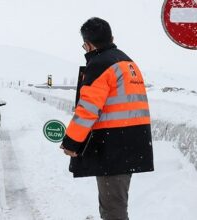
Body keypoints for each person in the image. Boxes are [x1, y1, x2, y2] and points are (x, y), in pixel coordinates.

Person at [60, 17, 154, 220]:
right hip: (131, 142)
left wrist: (71, 143)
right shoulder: (127, 62)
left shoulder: (100, 64)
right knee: (116, 204)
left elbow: (87, 110)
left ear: (88, 44)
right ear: (111, 37)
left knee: (112, 210)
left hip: (113, 147)